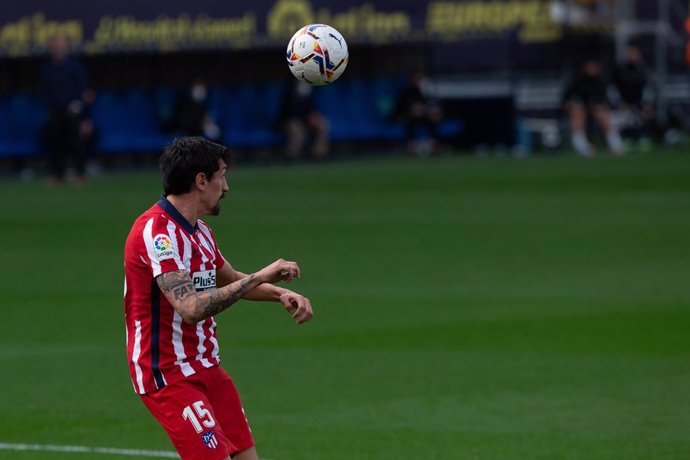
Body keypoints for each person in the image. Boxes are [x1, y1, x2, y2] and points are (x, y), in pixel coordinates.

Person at [124, 137, 314, 460]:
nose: (225, 187)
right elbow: (190, 308)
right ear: (201, 181)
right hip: (168, 375)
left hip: (206, 367)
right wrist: (261, 276)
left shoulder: (200, 233)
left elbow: (235, 280)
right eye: (221, 176)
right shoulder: (158, 235)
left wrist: (280, 292)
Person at [40, 33, 89, 182]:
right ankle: (58, 175)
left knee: (76, 142)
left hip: (73, 112)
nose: (58, 45)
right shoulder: (48, 68)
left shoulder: (75, 67)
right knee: (56, 143)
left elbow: (82, 89)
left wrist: (77, 106)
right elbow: (45, 91)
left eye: (61, 42)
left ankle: (79, 174)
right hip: (55, 112)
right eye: (56, 42)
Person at [562, 59, 624, 156]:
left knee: (603, 115)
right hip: (581, 108)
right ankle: (582, 147)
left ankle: (616, 145)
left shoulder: (601, 81)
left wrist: (596, 105)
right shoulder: (578, 80)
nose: (591, 69)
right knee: (577, 112)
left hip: (595, 107)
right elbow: (567, 97)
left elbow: (604, 98)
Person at [392, 70, 442, 155]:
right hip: (405, 115)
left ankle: (434, 144)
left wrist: (430, 111)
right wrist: (413, 110)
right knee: (410, 119)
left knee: (432, 118)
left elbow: (431, 104)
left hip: (423, 115)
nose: (420, 80)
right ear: (412, 79)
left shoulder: (426, 91)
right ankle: (410, 145)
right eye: (418, 78)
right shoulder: (406, 91)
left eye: (422, 78)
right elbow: (400, 107)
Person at [278, 80, 329, 160]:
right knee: (296, 129)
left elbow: (312, 107)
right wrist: (305, 117)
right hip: (290, 120)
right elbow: (288, 111)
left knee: (322, 124)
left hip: (306, 121)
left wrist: (313, 116)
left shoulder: (310, 87)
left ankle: (318, 155)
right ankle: (292, 157)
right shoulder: (289, 88)